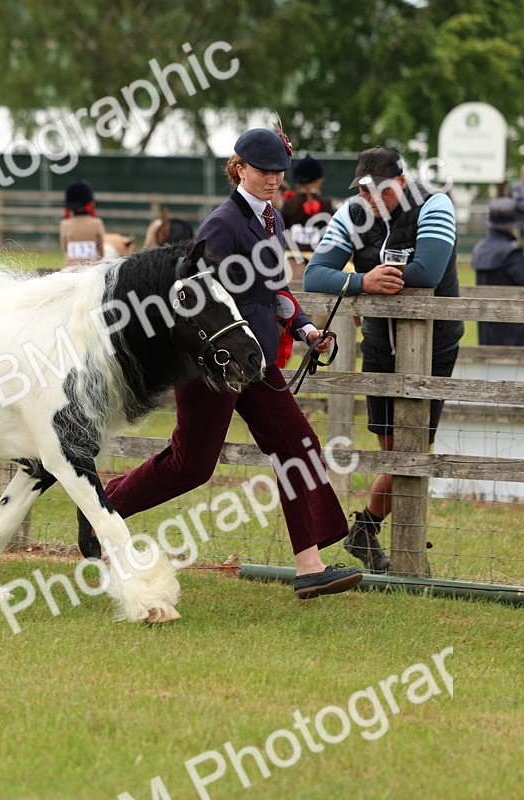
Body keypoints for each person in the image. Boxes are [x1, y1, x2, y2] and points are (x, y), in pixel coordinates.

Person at [79, 127, 362, 600]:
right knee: (191, 466)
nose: (273, 179)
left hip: (256, 360)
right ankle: (101, 509)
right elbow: (204, 299)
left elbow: (274, 290)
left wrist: (305, 329)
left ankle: (309, 567)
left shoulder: (272, 219)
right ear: (239, 169)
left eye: (279, 171)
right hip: (215, 363)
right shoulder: (222, 225)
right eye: (264, 171)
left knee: (298, 445)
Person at [302, 146, 464, 575]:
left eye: (382, 191)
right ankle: (372, 535)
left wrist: (363, 283)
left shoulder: (435, 203)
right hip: (378, 346)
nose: (372, 200)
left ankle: (382, 538)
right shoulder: (353, 214)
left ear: (402, 181)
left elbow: (428, 272)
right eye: (365, 191)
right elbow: (315, 274)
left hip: (434, 345)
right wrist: (362, 281)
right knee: (393, 451)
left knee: (413, 449)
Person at [472, 198, 524, 347]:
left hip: (487, 325)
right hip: (513, 326)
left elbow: (501, 262)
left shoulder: (480, 249)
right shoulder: (511, 253)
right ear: (512, 224)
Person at [281, 155, 335, 252]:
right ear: (318, 181)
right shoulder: (327, 205)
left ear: (296, 182)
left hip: (292, 256)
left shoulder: (288, 204)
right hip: (320, 256)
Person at [60, 179, 106, 269]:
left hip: (69, 269)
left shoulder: (65, 224)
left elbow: (64, 249)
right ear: (90, 203)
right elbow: (101, 250)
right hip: (92, 269)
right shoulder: (97, 223)